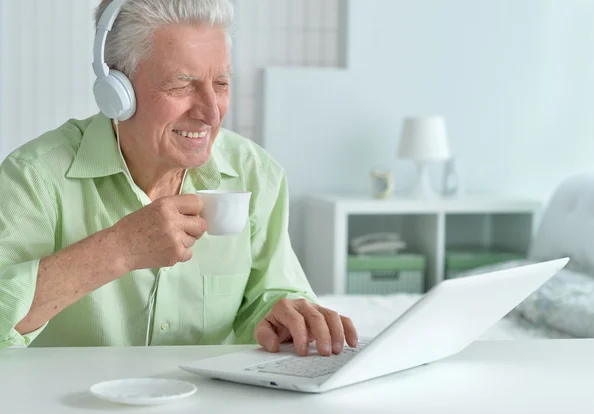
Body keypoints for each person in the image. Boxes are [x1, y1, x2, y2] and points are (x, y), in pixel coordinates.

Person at [0, 0, 357, 357]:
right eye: (181, 86)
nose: (211, 113)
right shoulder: (34, 177)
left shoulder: (256, 173)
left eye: (220, 83)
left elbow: (270, 294)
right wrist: (119, 249)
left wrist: (282, 315)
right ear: (116, 91)